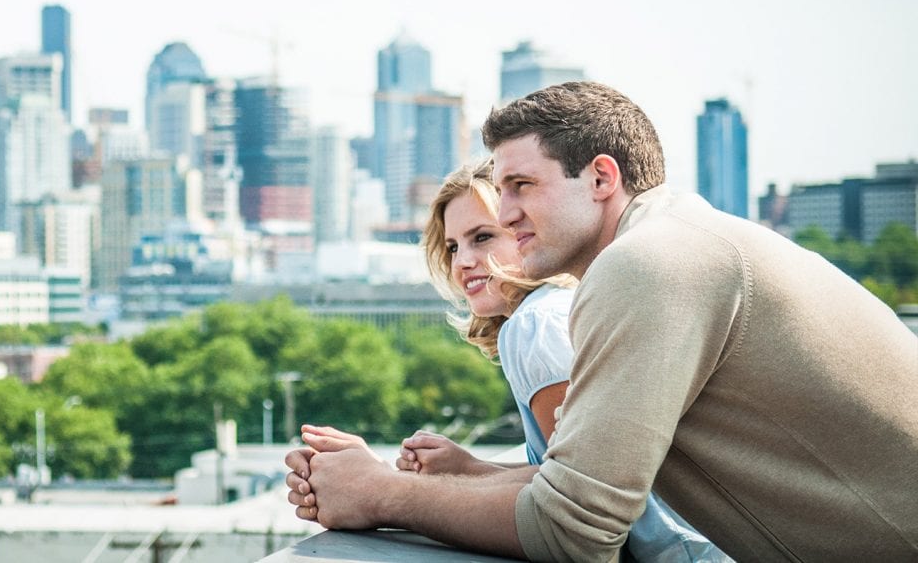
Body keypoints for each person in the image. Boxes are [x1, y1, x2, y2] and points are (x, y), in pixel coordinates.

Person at [287, 82, 918, 562]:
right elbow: (585, 485)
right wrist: (469, 474)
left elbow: (576, 530)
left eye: (521, 186)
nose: (506, 214)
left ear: (600, 177)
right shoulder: (682, 241)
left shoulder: (646, 264)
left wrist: (377, 494)